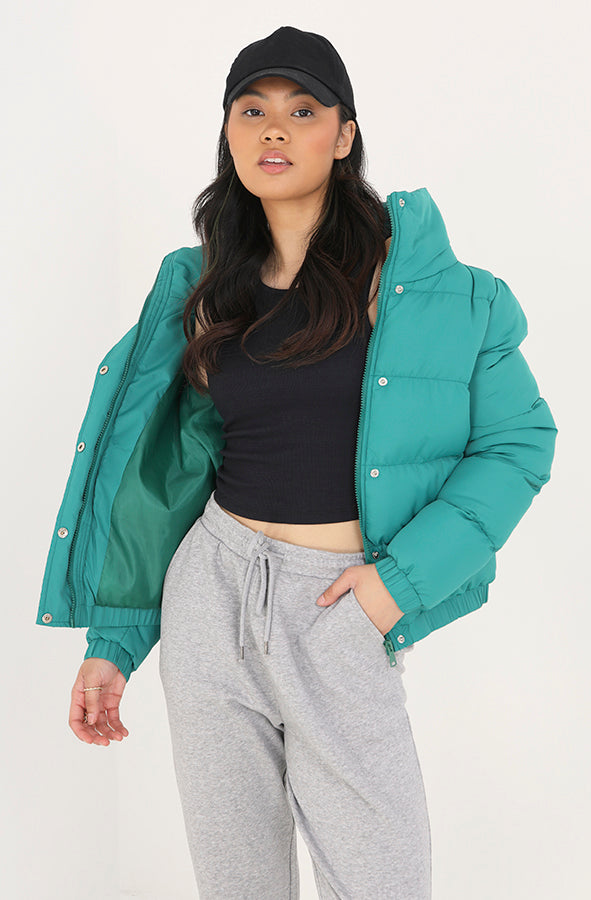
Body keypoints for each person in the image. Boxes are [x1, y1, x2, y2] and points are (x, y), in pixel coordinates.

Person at [37, 25, 558, 900]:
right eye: (252, 111)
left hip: (342, 604)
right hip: (211, 592)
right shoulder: (202, 286)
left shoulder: (448, 293)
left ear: (345, 135)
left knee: (384, 880)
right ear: (228, 132)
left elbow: (519, 444)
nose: (274, 129)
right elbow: (162, 478)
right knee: (237, 883)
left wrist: (395, 587)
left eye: (303, 111)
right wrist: (114, 642)